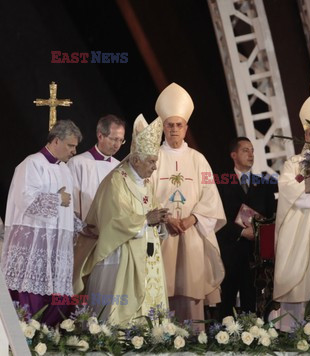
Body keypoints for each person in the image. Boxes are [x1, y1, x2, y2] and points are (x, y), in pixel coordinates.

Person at [74, 115, 169, 325]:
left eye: (155, 162)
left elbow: (151, 215)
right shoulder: (117, 180)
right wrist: (145, 220)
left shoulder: (146, 183)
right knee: (118, 315)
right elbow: (113, 220)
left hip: (147, 253)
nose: (154, 168)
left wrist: (160, 221)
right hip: (120, 252)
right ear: (136, 160)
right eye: (151, 162)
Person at [151, 83, 226, 327]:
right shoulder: (153, 158)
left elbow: (210, 195)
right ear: (162, 127)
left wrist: (191, 219)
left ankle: (194, 343)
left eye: (178, 125)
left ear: (186, 128)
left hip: (191, 232)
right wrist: (166, 218)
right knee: (160, 291)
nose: (174, 130)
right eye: (169, 125)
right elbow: (144, 193)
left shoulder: (198, 159)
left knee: (191, 290)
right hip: (162, 232)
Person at [1, 120, 82, 325]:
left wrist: (77, 224)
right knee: (30, 293)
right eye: (70, 146)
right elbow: (25, 201)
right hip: (33, 247)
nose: (74, 151)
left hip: (57, 247)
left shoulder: (65, 170)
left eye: (75, 147)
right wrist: (57, 200)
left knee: (58, 294)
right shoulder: (31, 164)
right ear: (56, 140)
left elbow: (62, 212)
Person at [273, 95, 310, 331]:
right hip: (299, 229)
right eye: (309, 133)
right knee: (297, 280)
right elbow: (288, 190)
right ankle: (291, 329)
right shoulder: (293, 163)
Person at [216, 137, 277, 319]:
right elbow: (217, 215)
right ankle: (223, 336)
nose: (251, 154)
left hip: (255, 254)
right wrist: (241, 231)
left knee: (253, 299)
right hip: (229, 251)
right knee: (227, 299)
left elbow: (271, 215)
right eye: (245, 150)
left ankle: (254, 336)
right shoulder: (220, 182)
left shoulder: (264, 184)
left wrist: (258, 233)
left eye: (252, 150)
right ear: (233, 155)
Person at [68, 114, 126, 220]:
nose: (117, 145)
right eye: (114, 139)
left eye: (121, 140)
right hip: (84, 231)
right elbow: (70, 202)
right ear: (100, 136)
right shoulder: (77, 163)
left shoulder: (120, 166)